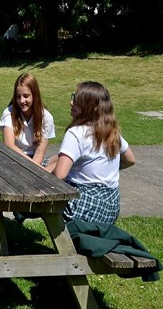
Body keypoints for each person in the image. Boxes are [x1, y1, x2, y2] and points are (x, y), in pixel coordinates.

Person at [48, 81, 136, 224]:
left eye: (76, 100)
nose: (71, 102)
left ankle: (22, 211)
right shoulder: (111, 132)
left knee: (49, 170)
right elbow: (130, 159)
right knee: (52, 160)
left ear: (89, 107)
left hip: (82, 211)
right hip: (110, 210)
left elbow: (60, 175)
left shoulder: (76, 133)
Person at [0, 73, 55, 166]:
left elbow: (39, 152)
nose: (21, 101)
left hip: (35, 161)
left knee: (59, 161)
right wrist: (31, 164)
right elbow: (9, 145)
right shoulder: (9, 113)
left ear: (34, 95)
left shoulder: (46, 117)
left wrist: (33, 167)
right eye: (18, 96)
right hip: (13, 158)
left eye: (26, 96)